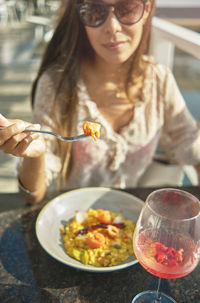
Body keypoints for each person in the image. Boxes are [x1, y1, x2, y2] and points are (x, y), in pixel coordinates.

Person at [0, 0, 200, 204]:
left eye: (127, 9)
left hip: (128, 220)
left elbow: (190, 144)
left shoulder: (159, 81)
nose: (112, 27)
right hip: (69, 219)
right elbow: (32, 195)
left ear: (147, 10)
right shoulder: (55, 85)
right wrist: (35, 155)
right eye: (95, 12)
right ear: (81, 18)